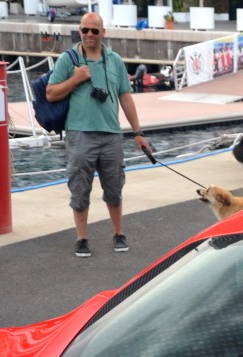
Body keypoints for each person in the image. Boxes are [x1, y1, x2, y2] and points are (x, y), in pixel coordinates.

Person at [46, 12, 153, 258]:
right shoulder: (68, 59)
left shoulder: (114, 60)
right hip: (80, 134)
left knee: (114, 187)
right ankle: (81, 238)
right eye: (85, 30)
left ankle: (118, 233)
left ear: (103, 32)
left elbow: (125, 97)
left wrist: (138, 132)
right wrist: (76, 79)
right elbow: (51, 93)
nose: (90, 35)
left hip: (111, 135)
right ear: (79, 31)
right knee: (80, 187)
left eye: (95, 30)